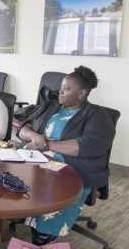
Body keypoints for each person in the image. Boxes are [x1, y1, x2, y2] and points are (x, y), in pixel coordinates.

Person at [17, 66, 115, 245]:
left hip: (71, 171)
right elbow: (23, 127)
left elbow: (85, 147)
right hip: (34, 163)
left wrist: (46, 144)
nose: (60, 91)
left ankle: (44, 238)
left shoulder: (96, 115)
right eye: (61, 86)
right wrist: (34, 136)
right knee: (4, 181)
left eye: (66, 88)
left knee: (48, 199)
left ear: (82, 93)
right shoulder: (51, 106)